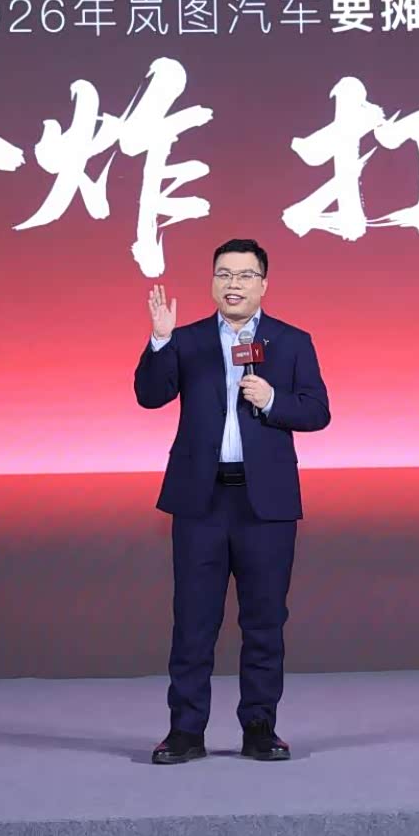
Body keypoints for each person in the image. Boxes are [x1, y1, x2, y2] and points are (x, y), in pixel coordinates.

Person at [134, 238, 331, 764]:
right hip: (201, 501)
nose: (233, 284)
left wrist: (274, 400)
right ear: (212, 282)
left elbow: (317, 411)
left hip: (265, 505)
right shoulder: (188, 340)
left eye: (245, 275)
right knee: (193, 621)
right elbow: (150, 395)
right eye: (224, 274)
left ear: (264, 284)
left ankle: (260, 728)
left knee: (264, 621)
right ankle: (185, 731)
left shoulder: (291, 342)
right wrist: (160, 340)